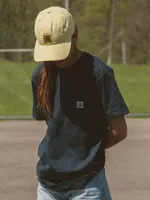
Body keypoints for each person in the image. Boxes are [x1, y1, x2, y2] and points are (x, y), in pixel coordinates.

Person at [31, 6, 129, 200]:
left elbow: (119, 131)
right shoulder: (40, 76)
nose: (56, 58)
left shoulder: (99, 74)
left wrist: (86, 153)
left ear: (75, 35)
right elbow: (53, 126)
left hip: (87, 187)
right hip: (47, 186)